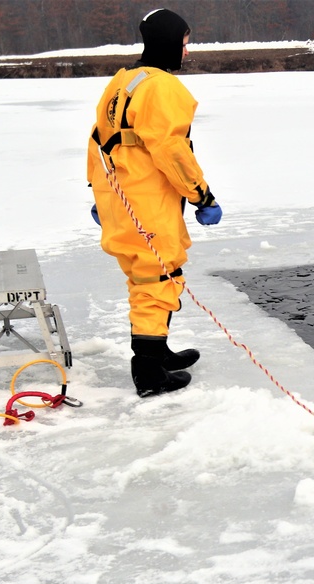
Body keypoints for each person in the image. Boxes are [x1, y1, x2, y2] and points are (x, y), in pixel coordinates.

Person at [87, 8, 222, 397]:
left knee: (146, 278)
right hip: (146, 201)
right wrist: (202, 195)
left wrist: (98, 194)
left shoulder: (123, 81)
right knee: (157, 280)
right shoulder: (161, 87)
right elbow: (172, 151)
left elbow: (97, 140)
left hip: (120, 198)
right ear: (168, 43)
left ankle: (157, 350)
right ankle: (148, 372)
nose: (187, 52)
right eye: (184, 44)